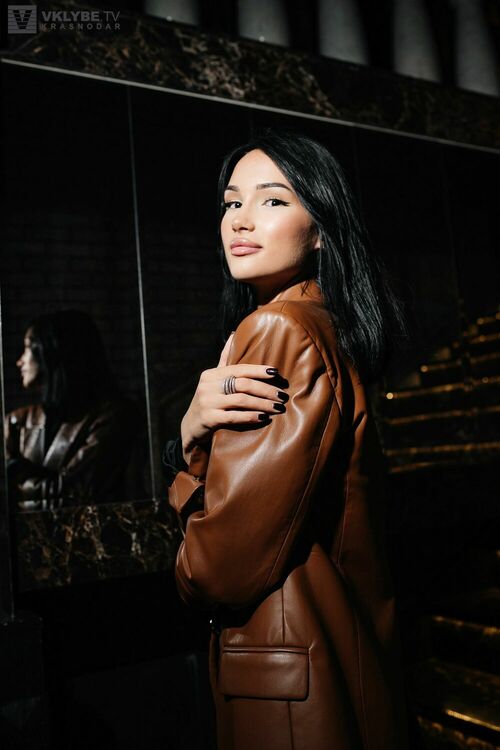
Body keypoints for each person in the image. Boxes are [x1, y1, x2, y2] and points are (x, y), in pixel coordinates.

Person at [165, 131, 411, 749]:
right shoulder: (324, 323)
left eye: (273, 200)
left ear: (322, 229)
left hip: (290, 686)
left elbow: (215, 571)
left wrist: (189, 455)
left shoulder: (279, 327)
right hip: (338, 659)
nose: (240, 219)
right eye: (231, 201)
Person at [5, 309, 144, 510]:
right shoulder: (16, 421)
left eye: (28, 348)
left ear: (52, 351)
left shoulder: (113, 416)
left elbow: (78, 492)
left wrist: (18, 476)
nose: (20, 361)